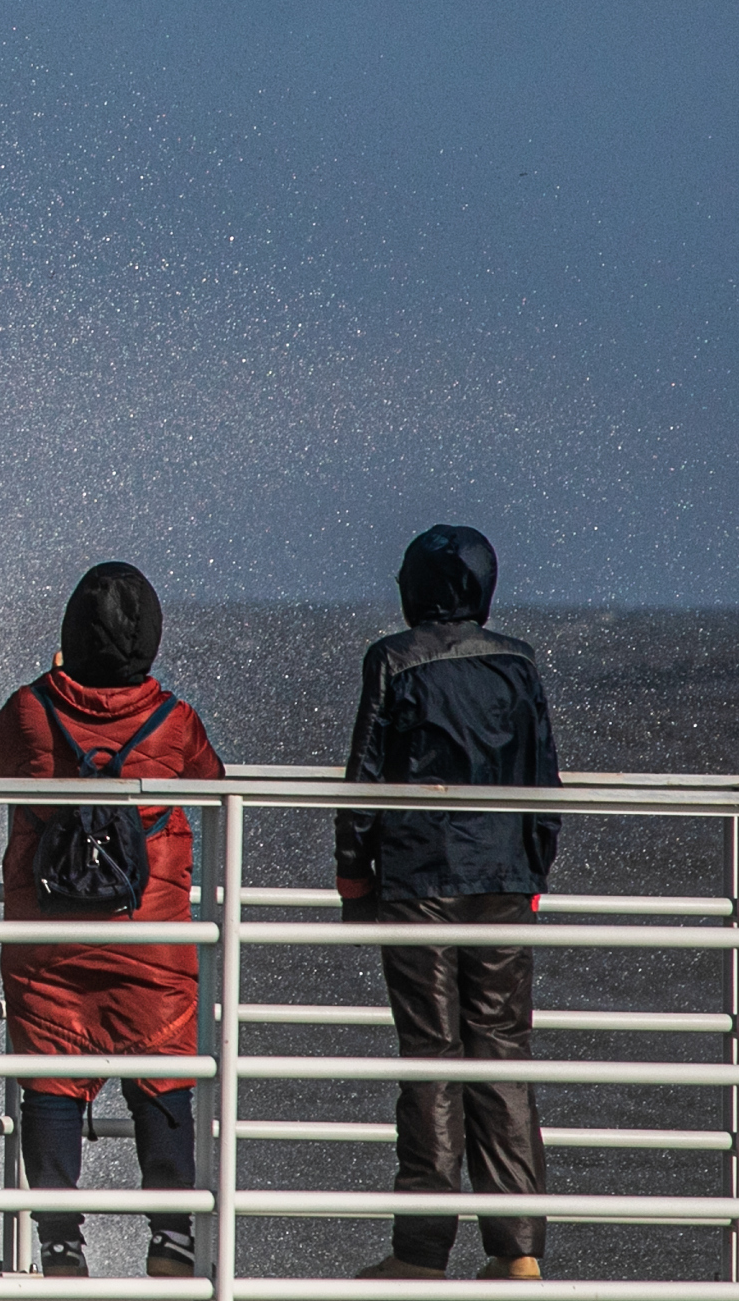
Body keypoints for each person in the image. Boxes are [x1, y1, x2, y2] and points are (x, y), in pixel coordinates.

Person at [0, 562, 226, 1281]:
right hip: (153, 938)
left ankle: (60, 1244)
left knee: (50, 1080)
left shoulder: (29, 710)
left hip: (50, 940)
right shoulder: (173, 721)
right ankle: (172, 1238)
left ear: (70, 636)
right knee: (164, 1075)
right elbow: (211, 781)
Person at [337, 524, 560, 1283]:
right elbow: (543, 783)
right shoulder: (519, 664)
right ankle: (518, 1248)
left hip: (420, 879)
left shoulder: (394, 660)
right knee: (500, 1050)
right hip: (502, 881)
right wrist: (532, 870)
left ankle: (422, 1250)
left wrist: (353, 879)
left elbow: (365, 778)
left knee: (431, 1054)